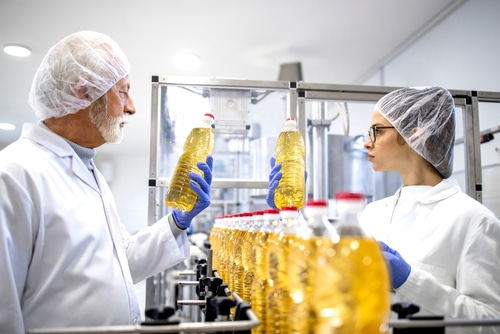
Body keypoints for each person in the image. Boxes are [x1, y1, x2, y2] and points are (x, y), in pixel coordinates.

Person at [0, 31, 212, 333]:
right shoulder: (15, 174)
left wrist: (178, 221)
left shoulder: (88, 171)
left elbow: (119, 260)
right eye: (123, 92)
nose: (132, 107)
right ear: (84, 92)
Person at [267, 87, 500, 333]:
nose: (367, 142)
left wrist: (409, 280)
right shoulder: (374, 213)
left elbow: (490, 322)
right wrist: (290, 215)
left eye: (377, 131)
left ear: (415, 134)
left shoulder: (474, 221)